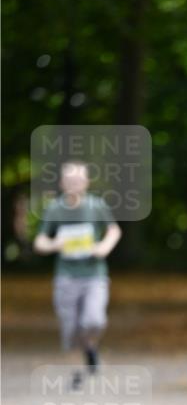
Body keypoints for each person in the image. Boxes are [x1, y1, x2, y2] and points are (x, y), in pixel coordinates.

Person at [33, 161, 121, 386]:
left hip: (94, 275)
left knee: (94, 321)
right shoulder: (54, 208)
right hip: (66, 277)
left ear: (86, 182)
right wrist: (54, 245)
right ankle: (79, 370)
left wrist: (103, 248)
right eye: (70, 181)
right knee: (70, 328)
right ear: (62, 183)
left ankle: (91, 346)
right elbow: (40, 241)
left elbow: (113, 230)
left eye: (79, 180)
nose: (74, 184)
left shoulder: (96, 205)